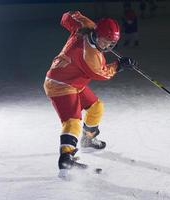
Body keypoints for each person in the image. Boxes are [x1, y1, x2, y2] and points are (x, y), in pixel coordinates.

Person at [43, 11, 137, 176]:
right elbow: (102, 73)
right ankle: (66, 157)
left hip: (74, 81)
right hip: (61, 85)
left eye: (112, 42)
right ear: (97, 34)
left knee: (96, 107)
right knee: (72, 121)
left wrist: (77, 21)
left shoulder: (87, 26)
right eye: (106, 41)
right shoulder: (90, 56)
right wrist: (119, 66)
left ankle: (88, 138)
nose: (108, 46)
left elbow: (66, 17)